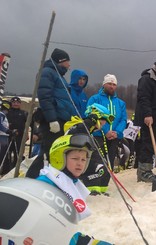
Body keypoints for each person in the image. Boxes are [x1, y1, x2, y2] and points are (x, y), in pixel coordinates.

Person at [36, 133, 111, 244]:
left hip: (65, 236)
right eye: (75, 158)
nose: (80, 163)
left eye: (83, 160)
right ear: (59, 158)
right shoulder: (45, 183)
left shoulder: (69, 182)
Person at [27, 48, 77, 178]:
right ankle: (31, 178)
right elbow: (45, 97)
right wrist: (52, 119)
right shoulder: (47, 73)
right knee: (48, 151)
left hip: (62, 120)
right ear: (61, 61)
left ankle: (49, 179)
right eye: (68, 61)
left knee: (55, 152)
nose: (69, 65)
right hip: (54, 121)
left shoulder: (59, 76)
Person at [87, 74, 127, 189]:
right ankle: (94, 186)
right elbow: (91, 115)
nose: (112, 86)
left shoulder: (121, 103)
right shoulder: (95, 99)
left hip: (114, 137)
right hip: (98, 135)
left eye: (114, 84)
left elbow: (123, 119)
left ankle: (104, 186)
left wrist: (117, 132)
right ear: (104, 84)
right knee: (97, 160)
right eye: (109, 84)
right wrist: (105, 131)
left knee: (109, 161)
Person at [7, 96, 28, 167]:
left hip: (20, 136)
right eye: (14, 102)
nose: (15, 104)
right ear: (11, 103)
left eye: (17, 103)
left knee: (18, 154)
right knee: (8, 154)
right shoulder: (7, 112)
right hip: (8, 136)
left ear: (20, 104)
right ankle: (7, 169)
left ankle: (16, 168)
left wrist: (27, 134)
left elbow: (29, 125)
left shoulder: (24, 113)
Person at [0, 100, 14, 175]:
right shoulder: (1, 114)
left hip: (4, 136)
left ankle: (4, 169)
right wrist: (8, 131)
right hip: (2, 136)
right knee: (2, 153)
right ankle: (2, 169)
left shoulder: (3, 115)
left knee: (4, 153)